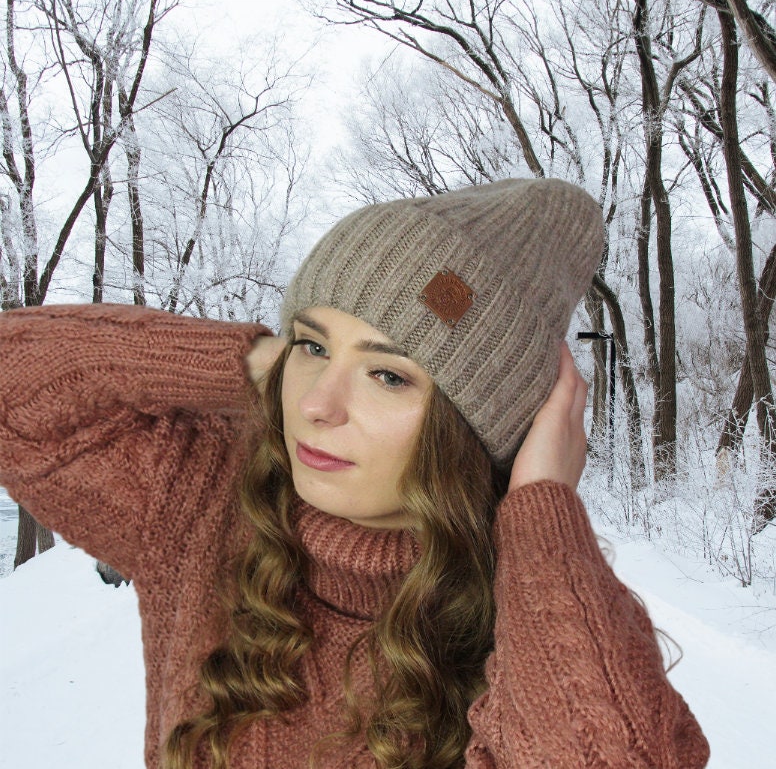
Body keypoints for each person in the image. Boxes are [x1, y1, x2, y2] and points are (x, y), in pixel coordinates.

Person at [0, 178, 709, 769]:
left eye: (386, 374)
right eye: (310, 345)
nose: (315, 404)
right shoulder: (201, 501)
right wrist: (249, 363)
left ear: (473, 427)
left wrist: (543, 505)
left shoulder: (542, 615)